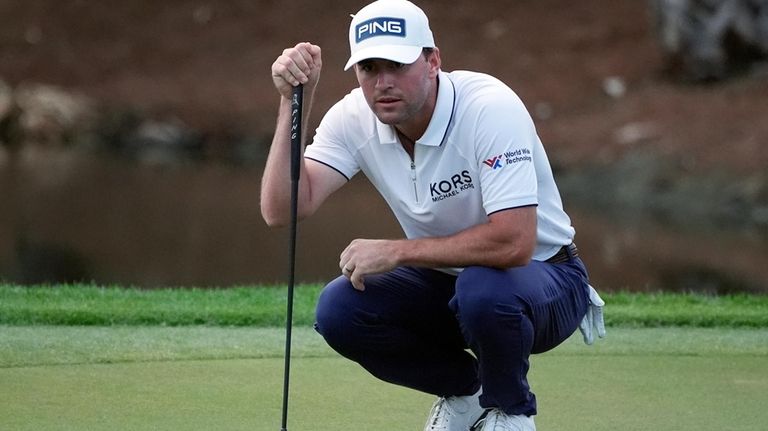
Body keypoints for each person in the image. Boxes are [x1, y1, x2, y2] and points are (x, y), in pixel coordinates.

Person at [263, 0, 604, 429]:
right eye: (369, 68)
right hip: (450, 283)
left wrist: (400, 252)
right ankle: (469, 394)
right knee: (340, 309)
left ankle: (511, 411)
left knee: (483, 286)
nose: (383, 82)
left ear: (432, 61)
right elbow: (282, 209)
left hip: (547, 279)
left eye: (397, 64)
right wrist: (294, 101)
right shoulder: (353, 117)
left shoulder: (489, 108)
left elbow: (515, 242)